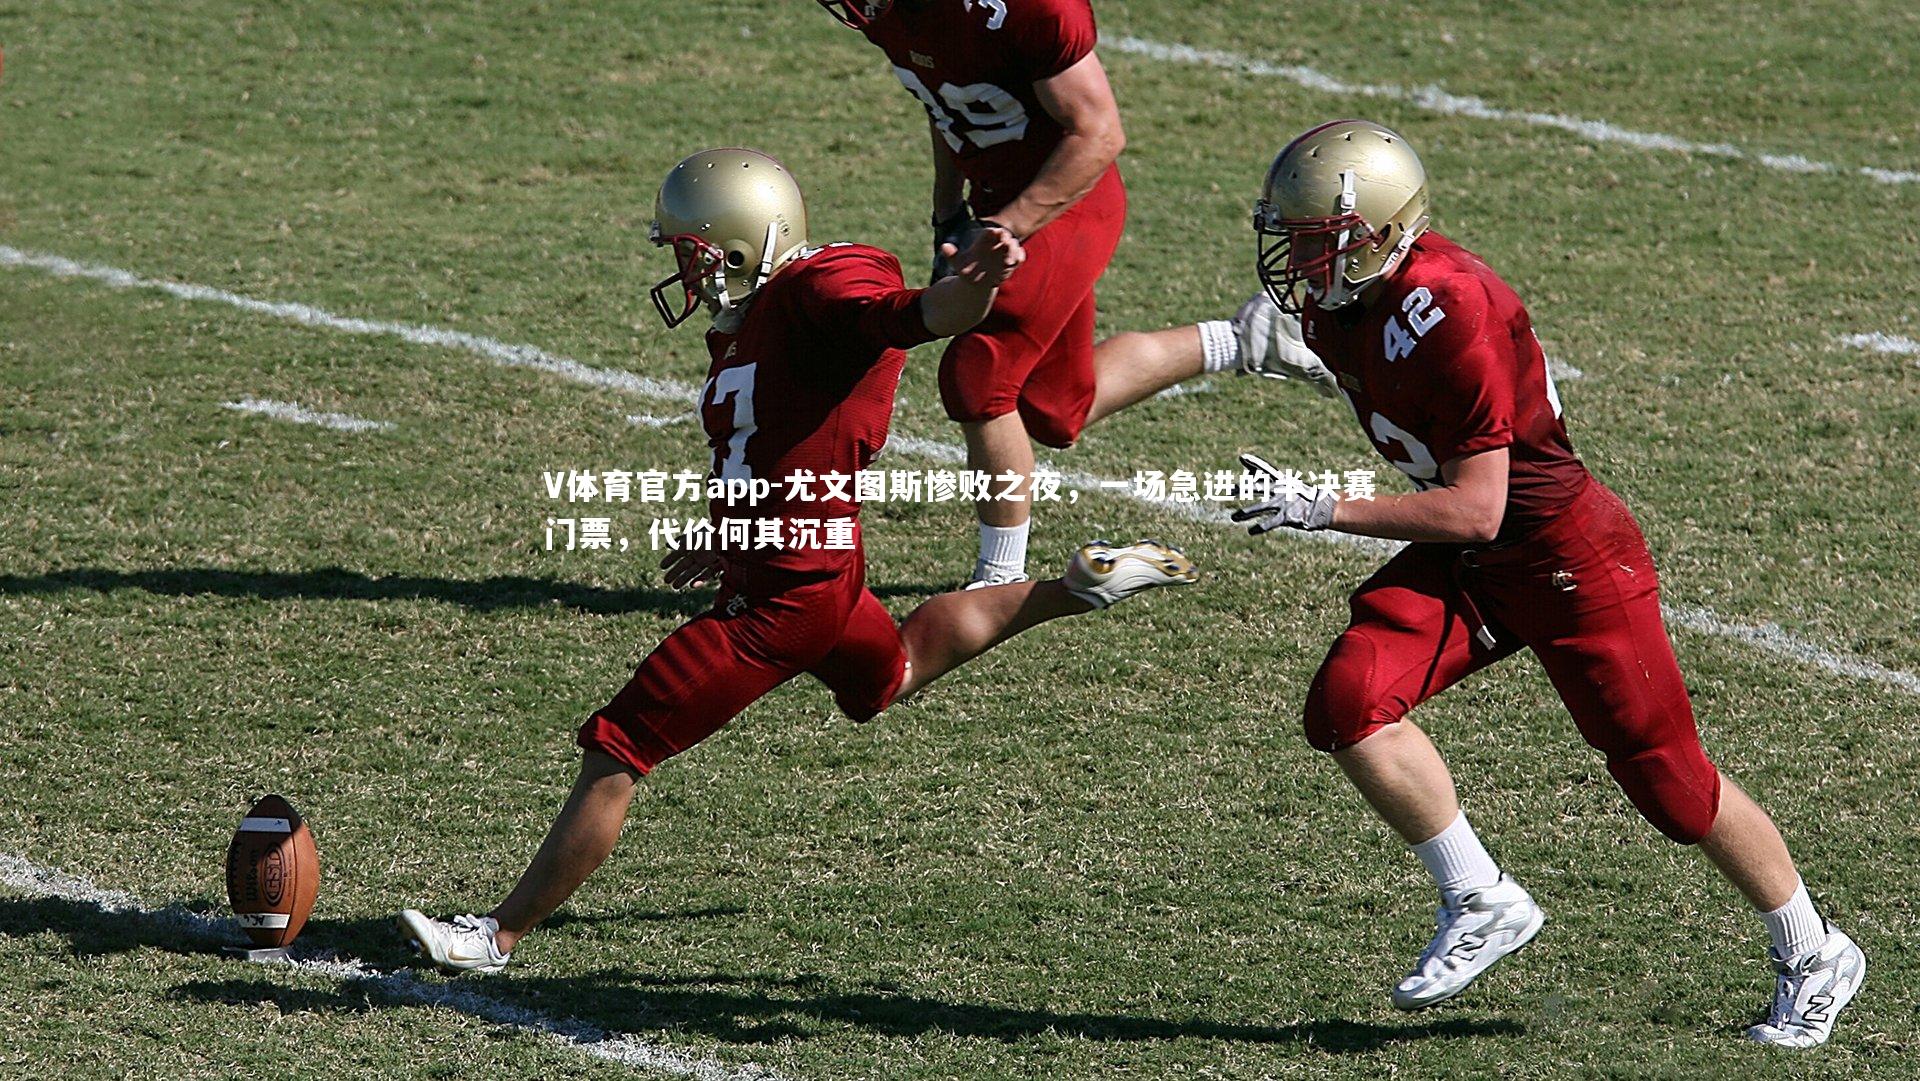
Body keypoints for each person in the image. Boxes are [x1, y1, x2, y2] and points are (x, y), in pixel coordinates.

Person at [398, 148, 1197, 972]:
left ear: (746, 243)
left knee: (621, 744)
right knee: (891, 674)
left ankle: (494, 935)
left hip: (778, 603)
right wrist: (732, 526)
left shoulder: (821, 289)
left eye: (694, 250)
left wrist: (974, 287)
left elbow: (916, 314)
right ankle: (1077, 587)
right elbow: (780, 443)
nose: (684, 268)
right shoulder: (761, 317)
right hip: (819, 565)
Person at [1231, 120, 1863, 1048]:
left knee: (1669, 783)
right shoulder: (1340, 300)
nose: (1298, 258)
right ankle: (1480, 896)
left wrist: (1323, 509)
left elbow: (1478, 508)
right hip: (1483, 560)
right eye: (1291, 235)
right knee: (1350, 699)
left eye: (1317, 238)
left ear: (1379, 232)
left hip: (1561, 552)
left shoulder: (1454, 308)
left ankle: (1814, 949)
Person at [817, 0, 1326, 587]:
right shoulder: (893, 15)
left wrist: (1009, 224)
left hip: (1068, 205)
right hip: (998, 206)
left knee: (977, 376)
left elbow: (1100, 132)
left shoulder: (1025, 9)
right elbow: (948, 106)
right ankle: (1249, 339)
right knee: (1058, 409)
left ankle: (999, 577)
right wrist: (948, 210)